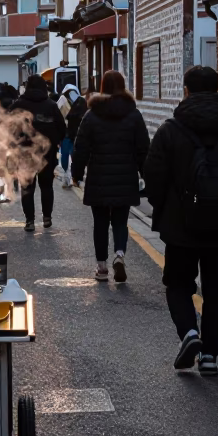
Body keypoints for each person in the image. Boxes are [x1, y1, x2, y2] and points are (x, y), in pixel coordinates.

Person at [144, 64, 218, 376]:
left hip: (180, 227)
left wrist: (164, 207)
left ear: (186, 90)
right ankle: (210, 355)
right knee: (217, 292)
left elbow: (153, 175)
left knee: (178, 284)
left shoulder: (171, 130)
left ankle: (189, 334)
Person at [71, 70, 149, 281]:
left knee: (101, 223)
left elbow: (81, 149)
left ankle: (102, 267)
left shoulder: (92, 114)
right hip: (126, 177)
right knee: (121, 222)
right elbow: (143, 149)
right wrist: (147, 176)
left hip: (99, 178)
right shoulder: (134, 114)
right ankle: (120, 255)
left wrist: (76, 174)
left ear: (103, 87)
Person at [11, 73, 66, 231]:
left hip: (24, 153)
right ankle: (47, 217)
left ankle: (29, 221)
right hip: (46, 153)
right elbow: (62, 128)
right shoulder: (51, 105)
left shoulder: (18, 105)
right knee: (47, 186)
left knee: (27, 188)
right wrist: (54, 142)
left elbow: (8, 129)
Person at [56, 84, 86, 187]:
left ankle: (75, 177)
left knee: (75, 156)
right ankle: (68, 176)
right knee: (65, 156)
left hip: (76, 133)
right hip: (67, 133)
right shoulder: (62, 100)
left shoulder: (81, 102)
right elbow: (58, 117)